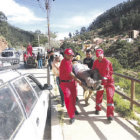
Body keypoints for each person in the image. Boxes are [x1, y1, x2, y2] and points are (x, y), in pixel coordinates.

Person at [59, 48, 82, 124]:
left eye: (72, 55)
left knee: (74, 97)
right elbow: (70, 73)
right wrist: (78, 80)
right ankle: (71, 116)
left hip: (71, 82)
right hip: (65, 84)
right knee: (68, 99)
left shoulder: (69, 61)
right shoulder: (65, 62)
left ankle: (74, 109)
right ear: (65, 55)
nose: (71, 56)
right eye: (70, 55)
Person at [92, 48, 115, 121]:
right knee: (99, 95)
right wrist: (95, 78)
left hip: (109, 82)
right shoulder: (95, 62)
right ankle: (98, 108)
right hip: (100, 81)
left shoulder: (107, 62)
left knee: (110, 97)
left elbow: (109, 72)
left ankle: (110, 115)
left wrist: (106, 78)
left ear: (103, 54)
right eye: (98, 56)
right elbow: (93, 70)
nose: (100, 57)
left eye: (101, 55)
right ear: (96, 56)